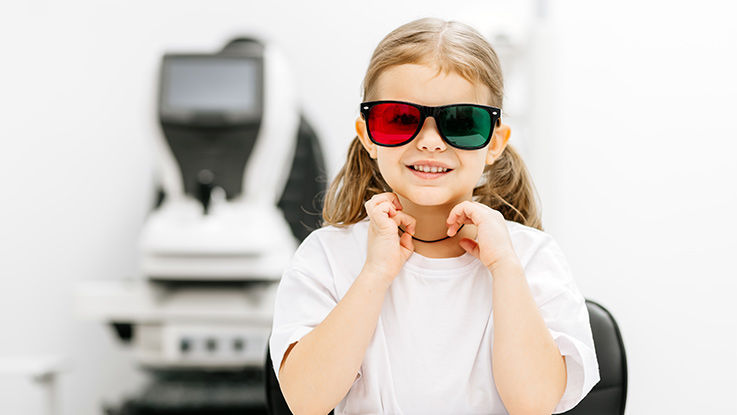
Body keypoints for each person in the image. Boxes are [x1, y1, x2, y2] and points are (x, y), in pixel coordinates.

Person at [269, 17, 600, 415]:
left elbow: (535, 404)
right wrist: (375, 274)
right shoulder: (326, 257)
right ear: (368, 135)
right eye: (399, 119)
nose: (429, 141)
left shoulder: (531, 258)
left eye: (460, 122)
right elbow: (304, 401)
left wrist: (504, 267)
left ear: (495, 143)